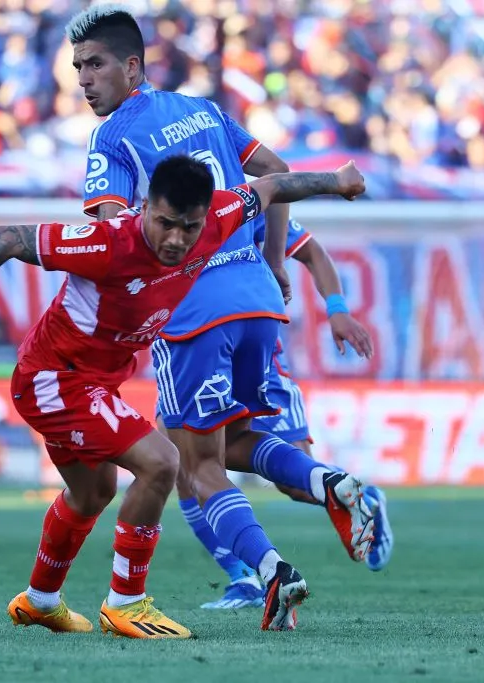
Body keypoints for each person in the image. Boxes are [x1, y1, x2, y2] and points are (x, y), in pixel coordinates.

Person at [0, 155, 367, 638]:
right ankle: (126, 603)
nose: (176, 239)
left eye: (188, 227)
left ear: (205, 217)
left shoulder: (221, 217)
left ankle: (40, 600)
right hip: (55, 379)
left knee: (92, 492)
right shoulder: (107, 243)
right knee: (162, 461)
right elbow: (5, 238)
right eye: (164, 223)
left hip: (94, 383)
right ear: (145, 208)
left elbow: (274, 184)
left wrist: (337, 180)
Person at [66, 3, 380, 621]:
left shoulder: (111, 136)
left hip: (192, 309)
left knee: (194, 463)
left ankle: (269, 571)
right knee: (234, 442)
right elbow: (278, 174)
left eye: (95, 64)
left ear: (133, 68)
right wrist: (273, 262)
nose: (84, 79)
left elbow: (112, 231)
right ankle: (328, 483)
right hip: (258, 300)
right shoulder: (204, 111)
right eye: (78, 68)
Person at [182, 218, 394, 609]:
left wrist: (337, 309)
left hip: (261, 366)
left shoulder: (246, 204)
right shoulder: (172, 206)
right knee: (183, 460)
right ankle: (243, 578)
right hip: (198, 349)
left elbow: (312, 251)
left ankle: (365, 499)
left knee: (292, 485)